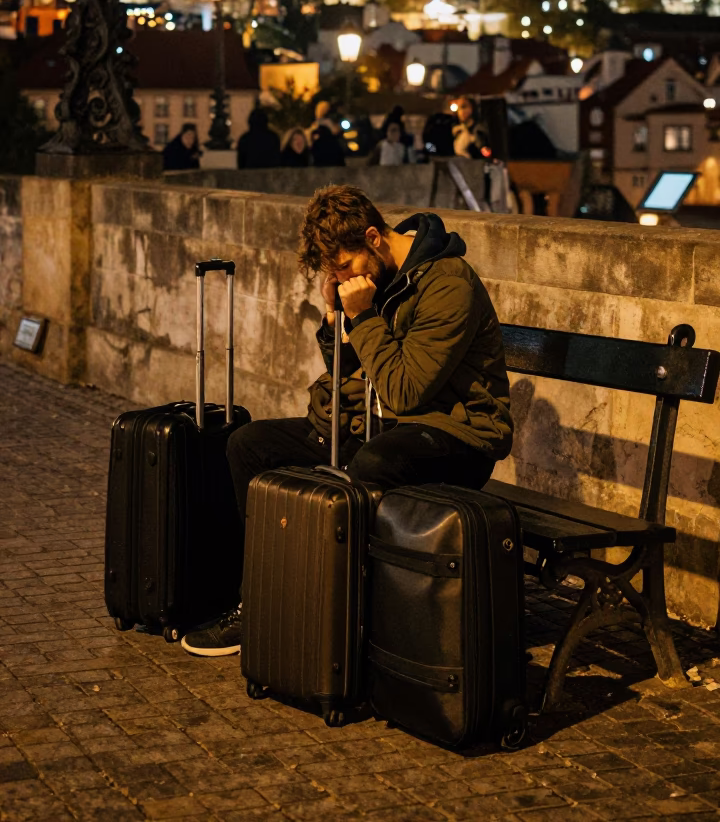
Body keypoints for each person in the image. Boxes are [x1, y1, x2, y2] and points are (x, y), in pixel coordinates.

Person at [181, 184, 512, 657]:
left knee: (376, 463)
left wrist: (362, 316)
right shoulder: (374, 279)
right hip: (386, 426)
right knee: (249, 444)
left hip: (458, 437)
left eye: (344, 267)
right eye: (333, 273)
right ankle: (259, 601)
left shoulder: (447, 282)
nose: (342, 278)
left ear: (374, 238)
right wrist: (335, 316)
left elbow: (404, 389)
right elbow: (346, 369)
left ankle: (348, 619)